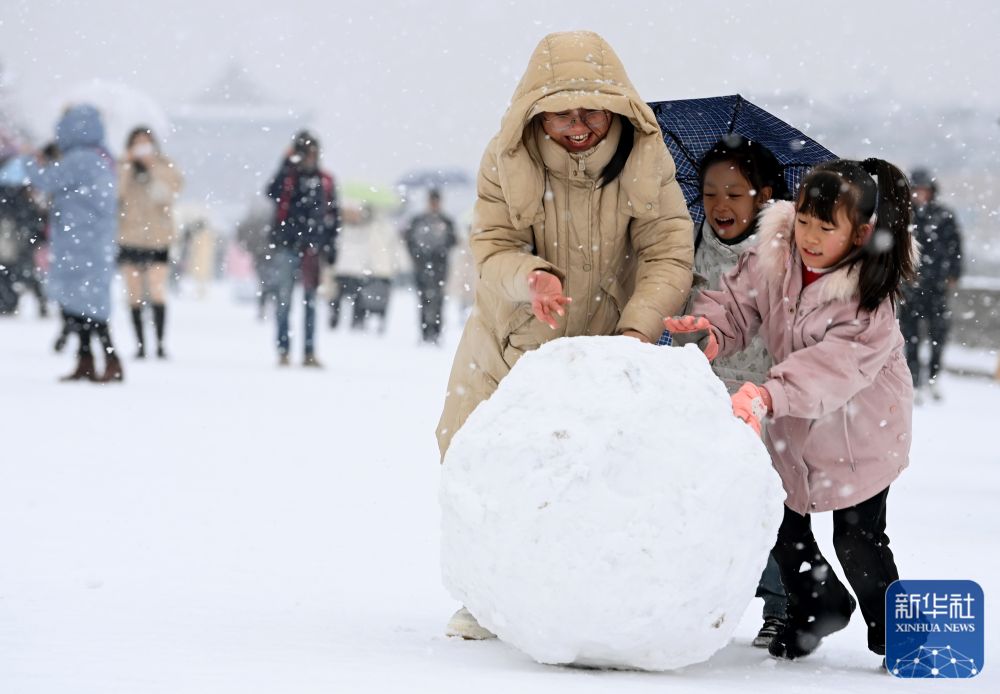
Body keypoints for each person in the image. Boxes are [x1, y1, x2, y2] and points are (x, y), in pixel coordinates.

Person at [438, 31, 694, 639]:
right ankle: (485, 595)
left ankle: (584, 602)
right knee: (480, 457)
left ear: (619, 109)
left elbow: (668, 254)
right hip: (513, 338)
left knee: (592, 474)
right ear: (535, 111)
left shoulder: (649, 162)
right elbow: (492, 248)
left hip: (610, 344)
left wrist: (640, 326)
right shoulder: (505, 160)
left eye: (592, 111)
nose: (578, 126)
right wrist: (532, 279)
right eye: (562, 113)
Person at [665, 158, 915, 661]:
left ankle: (896, 631)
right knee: (782, 521)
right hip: (794, 418)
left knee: (857, 538)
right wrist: (713, 330)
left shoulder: (870, 302)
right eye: (803, 220)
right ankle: (816, 603)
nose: (810, 237)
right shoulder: (773, 256)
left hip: (860, 428)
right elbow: (738, 302)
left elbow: (831, 368)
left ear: (861, 233)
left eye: (827, 227)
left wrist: (768, 394)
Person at [675, 136, 791, 648]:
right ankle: (701, 604)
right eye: (709, 193)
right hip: (704, 389)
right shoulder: (689, 242)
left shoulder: (784, 251)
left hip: (763, 394)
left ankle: (783, 605)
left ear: (764, 196)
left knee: (765, 506)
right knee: (708, 505)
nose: (720, 205)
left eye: (735, 193)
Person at [23, 104, 123, 383]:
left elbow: (45, 180)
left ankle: (105, 360)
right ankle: (90, 360)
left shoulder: (80, 159)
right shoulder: (102, 157)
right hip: (90, 241)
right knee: (86, 305)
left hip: (78, 241)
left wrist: (32, 160)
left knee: (82, 305)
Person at [264, 130, 339, 367]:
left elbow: (333, 216)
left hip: (312, 249)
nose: (310, 157)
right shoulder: (288, 178)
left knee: (310, 302)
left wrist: (330, 245)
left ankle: (308, 350)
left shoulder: (324, 181)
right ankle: (284, 349)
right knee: (284, 300)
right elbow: (271, 192)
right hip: (288, 245)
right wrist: (285, 164)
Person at [898, 168, 963, 403]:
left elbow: (956, 247)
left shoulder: (944, 216)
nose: (920, 194)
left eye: (924, 189)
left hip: (936, 288)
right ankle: (914, 382)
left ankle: (933, 378)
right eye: (916, 189)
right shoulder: (904, 215)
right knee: (911, 337)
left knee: (938, 336)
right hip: (910, 287)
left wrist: (953, 274)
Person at [118, 126, 183, 359]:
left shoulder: (164, 166)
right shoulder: (122, 167)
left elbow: (168, 195)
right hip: (130, 236)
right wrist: (126, 166)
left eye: (146, 143)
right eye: (137, 143)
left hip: (157, 238)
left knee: (157, 290)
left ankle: (160, 343)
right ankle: (141, 345)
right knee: (133, 293)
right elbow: (116, 195)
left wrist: (152, 168)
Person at [404, 189, 456, 344]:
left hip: (439, 266)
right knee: (423, 299)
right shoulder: (418, 220)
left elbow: (452, 241)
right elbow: (409, 241)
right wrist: (417, 256)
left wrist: (441, 248)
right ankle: (425, 332)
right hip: (422, 266)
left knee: (438, 300)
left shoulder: (446, 221)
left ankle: (436, 332)